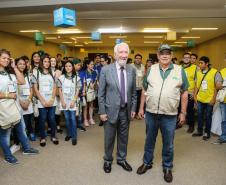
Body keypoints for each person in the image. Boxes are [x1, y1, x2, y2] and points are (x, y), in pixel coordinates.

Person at [136, 44, 188, 183]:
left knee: (168, 143)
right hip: (151, 113)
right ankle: (147, 163)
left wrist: (183, 112)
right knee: (149, 140)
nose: (165, 55)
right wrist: (141, 108)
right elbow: (144, 90)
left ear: (171, 55)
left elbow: (184, 93)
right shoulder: (151, 69)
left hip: (170, 114)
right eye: (162, 53)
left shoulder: (179, 70)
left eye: (168, 53)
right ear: (158, 55)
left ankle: (167, 167)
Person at [98, 42, 137, 173]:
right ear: (115, 55)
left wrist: (133, 109)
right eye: (121, 52)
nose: (124, 55)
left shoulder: (132, 69)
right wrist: (102, 111)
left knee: (124, 137)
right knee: (109, 138)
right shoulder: (105, 70)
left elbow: (133, 93)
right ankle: (108, 160)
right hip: (109, 112)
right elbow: (101, 94)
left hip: (125, 110)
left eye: (126, 52)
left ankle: (121, 159)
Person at [0, 49, 39, 165]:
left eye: (8, 58)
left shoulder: (10, 74)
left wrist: (14, 67)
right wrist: (8, 95)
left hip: (15, 108)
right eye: (3, 58)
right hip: (3, 109)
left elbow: (22, 81)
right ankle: (8, 155)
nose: (6, 60)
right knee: (4, 133)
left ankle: (26, 148)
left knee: (21, 129)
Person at [32, 55, 59, 147]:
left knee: (52, 118)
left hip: (52, 100)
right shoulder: (36, 72)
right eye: (45, 61)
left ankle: (53, 136)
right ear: (41, 62)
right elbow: (35, 88)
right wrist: (42, 100)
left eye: (48, 62)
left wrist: (52, 99)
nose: (47, 63)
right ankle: (43, 137)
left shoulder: (53, 72)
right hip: (41, 100)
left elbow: (55, 86)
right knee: (42, 119)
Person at [192, 56, 222, 140]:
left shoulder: (215, 72)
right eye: (199, 63)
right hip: (200, 98)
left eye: (201, 63)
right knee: (199, 115)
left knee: (208, 116)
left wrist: (213, 99)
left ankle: (207, 133)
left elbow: (217, 87)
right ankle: (199, 131)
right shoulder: (198, 72)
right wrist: (195, 96)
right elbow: (196, 86)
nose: (200, 65)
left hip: (210, 99)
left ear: (207, 64)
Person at [57, 61, 81, 145]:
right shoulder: (61, 77)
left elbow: (78, 90)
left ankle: (74, 137)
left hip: (72, 101)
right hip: (64, 101)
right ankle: (69, 134)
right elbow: (59, 90)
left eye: (70, 66)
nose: (68, 68)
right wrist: (62, 101)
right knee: (67, 119)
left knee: (73, 119)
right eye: (66, 66)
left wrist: (73, 101)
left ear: (72, 67)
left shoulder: (76, 78)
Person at [182, 53, 197, 133]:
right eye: (185, 57)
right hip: (180, 92)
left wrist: (194, 94)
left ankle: (191, 126)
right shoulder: (179, 68)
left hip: (190, 92)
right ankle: (179, 123)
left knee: (190, 110)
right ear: (183, 58)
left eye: (188, 57)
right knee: (179, 109)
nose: (187, 59)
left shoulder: (195, 68)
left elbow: (197, 82)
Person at [131, 54, 145, 120]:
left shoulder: (143, 67)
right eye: (136, 58)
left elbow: (144, 77)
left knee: (139, 101)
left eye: (139, 58)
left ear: (141, 59)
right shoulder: (131, 66)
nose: (138, 59)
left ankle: (137, 114)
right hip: (132, 87)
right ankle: (131, 114)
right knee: (132, 101)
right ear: (134, 59)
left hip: (140, 87)